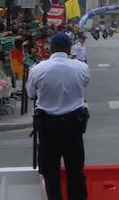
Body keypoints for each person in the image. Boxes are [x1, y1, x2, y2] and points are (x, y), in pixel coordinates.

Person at [27, 33, 90, 200]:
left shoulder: (38, 68)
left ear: (51, 48)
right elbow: (84, 84)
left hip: (48, 124)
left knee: (51, 172)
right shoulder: (81, 67)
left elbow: (31, 93)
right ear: (69, 48)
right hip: (73, 123)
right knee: (75, 170)